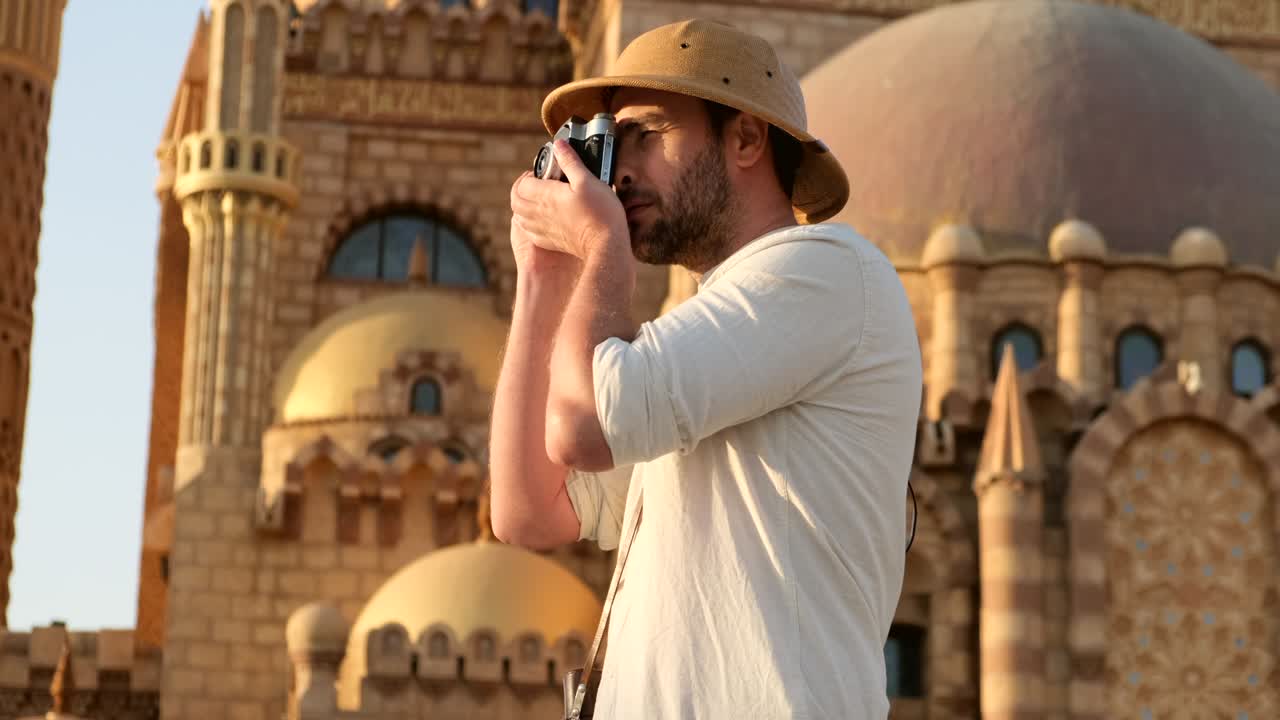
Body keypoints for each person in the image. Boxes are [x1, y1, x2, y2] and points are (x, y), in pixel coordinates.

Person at [489, 18, 922, 719]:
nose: (621, 171)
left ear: (746, 138)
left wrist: (601, 251)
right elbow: (528, 510)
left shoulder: (827, 272)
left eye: (648, 135)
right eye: (613, 143)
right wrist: (542, 277)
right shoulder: (700, 354)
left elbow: (582, 426)